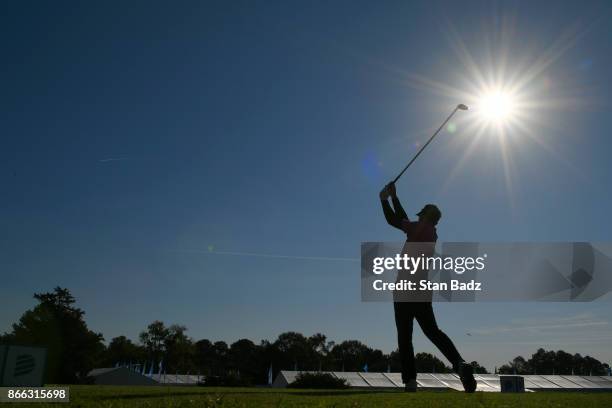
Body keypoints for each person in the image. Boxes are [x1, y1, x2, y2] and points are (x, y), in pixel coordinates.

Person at [379, 181, 476, 393]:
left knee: (405, 337)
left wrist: (383, 200)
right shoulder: (431, 233)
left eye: (420, 215)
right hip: (422, 288)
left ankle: (411, 381)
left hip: (404, 288)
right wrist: (394, 197)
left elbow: (393, 220)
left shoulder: (417, 229)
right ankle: (460, 364)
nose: (418, 217)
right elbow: (404, 221)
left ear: (424, 216)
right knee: (433, 332)